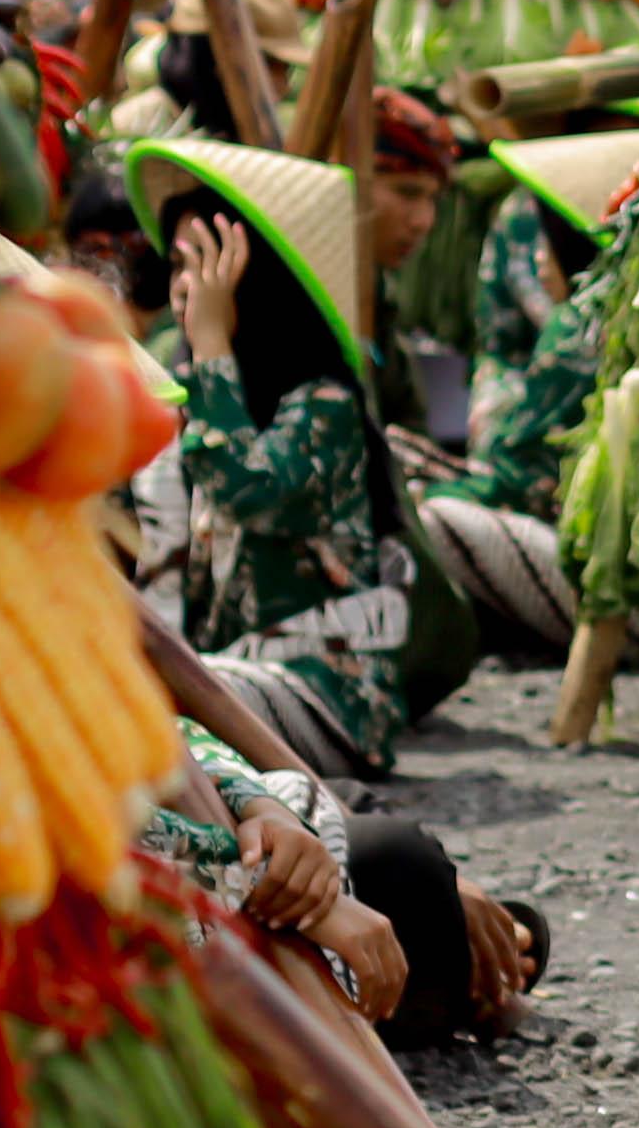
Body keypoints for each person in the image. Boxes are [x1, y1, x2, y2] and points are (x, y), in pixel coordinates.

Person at [133, 116, 486, 780]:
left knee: (147, 711)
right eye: (179, 266)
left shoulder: (322, 400)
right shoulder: (191, 391)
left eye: (207, 268)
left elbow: (249, 495)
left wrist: (210, 348)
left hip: (328, 688)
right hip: (236, 673)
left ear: (257, 275)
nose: (186, 288)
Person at [419, 124, 639, 654]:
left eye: (548, 238)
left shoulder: (580, 329)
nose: (540, 261)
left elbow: (512, 469)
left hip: (625, 591)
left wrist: (422, 499)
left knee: (435, 521)